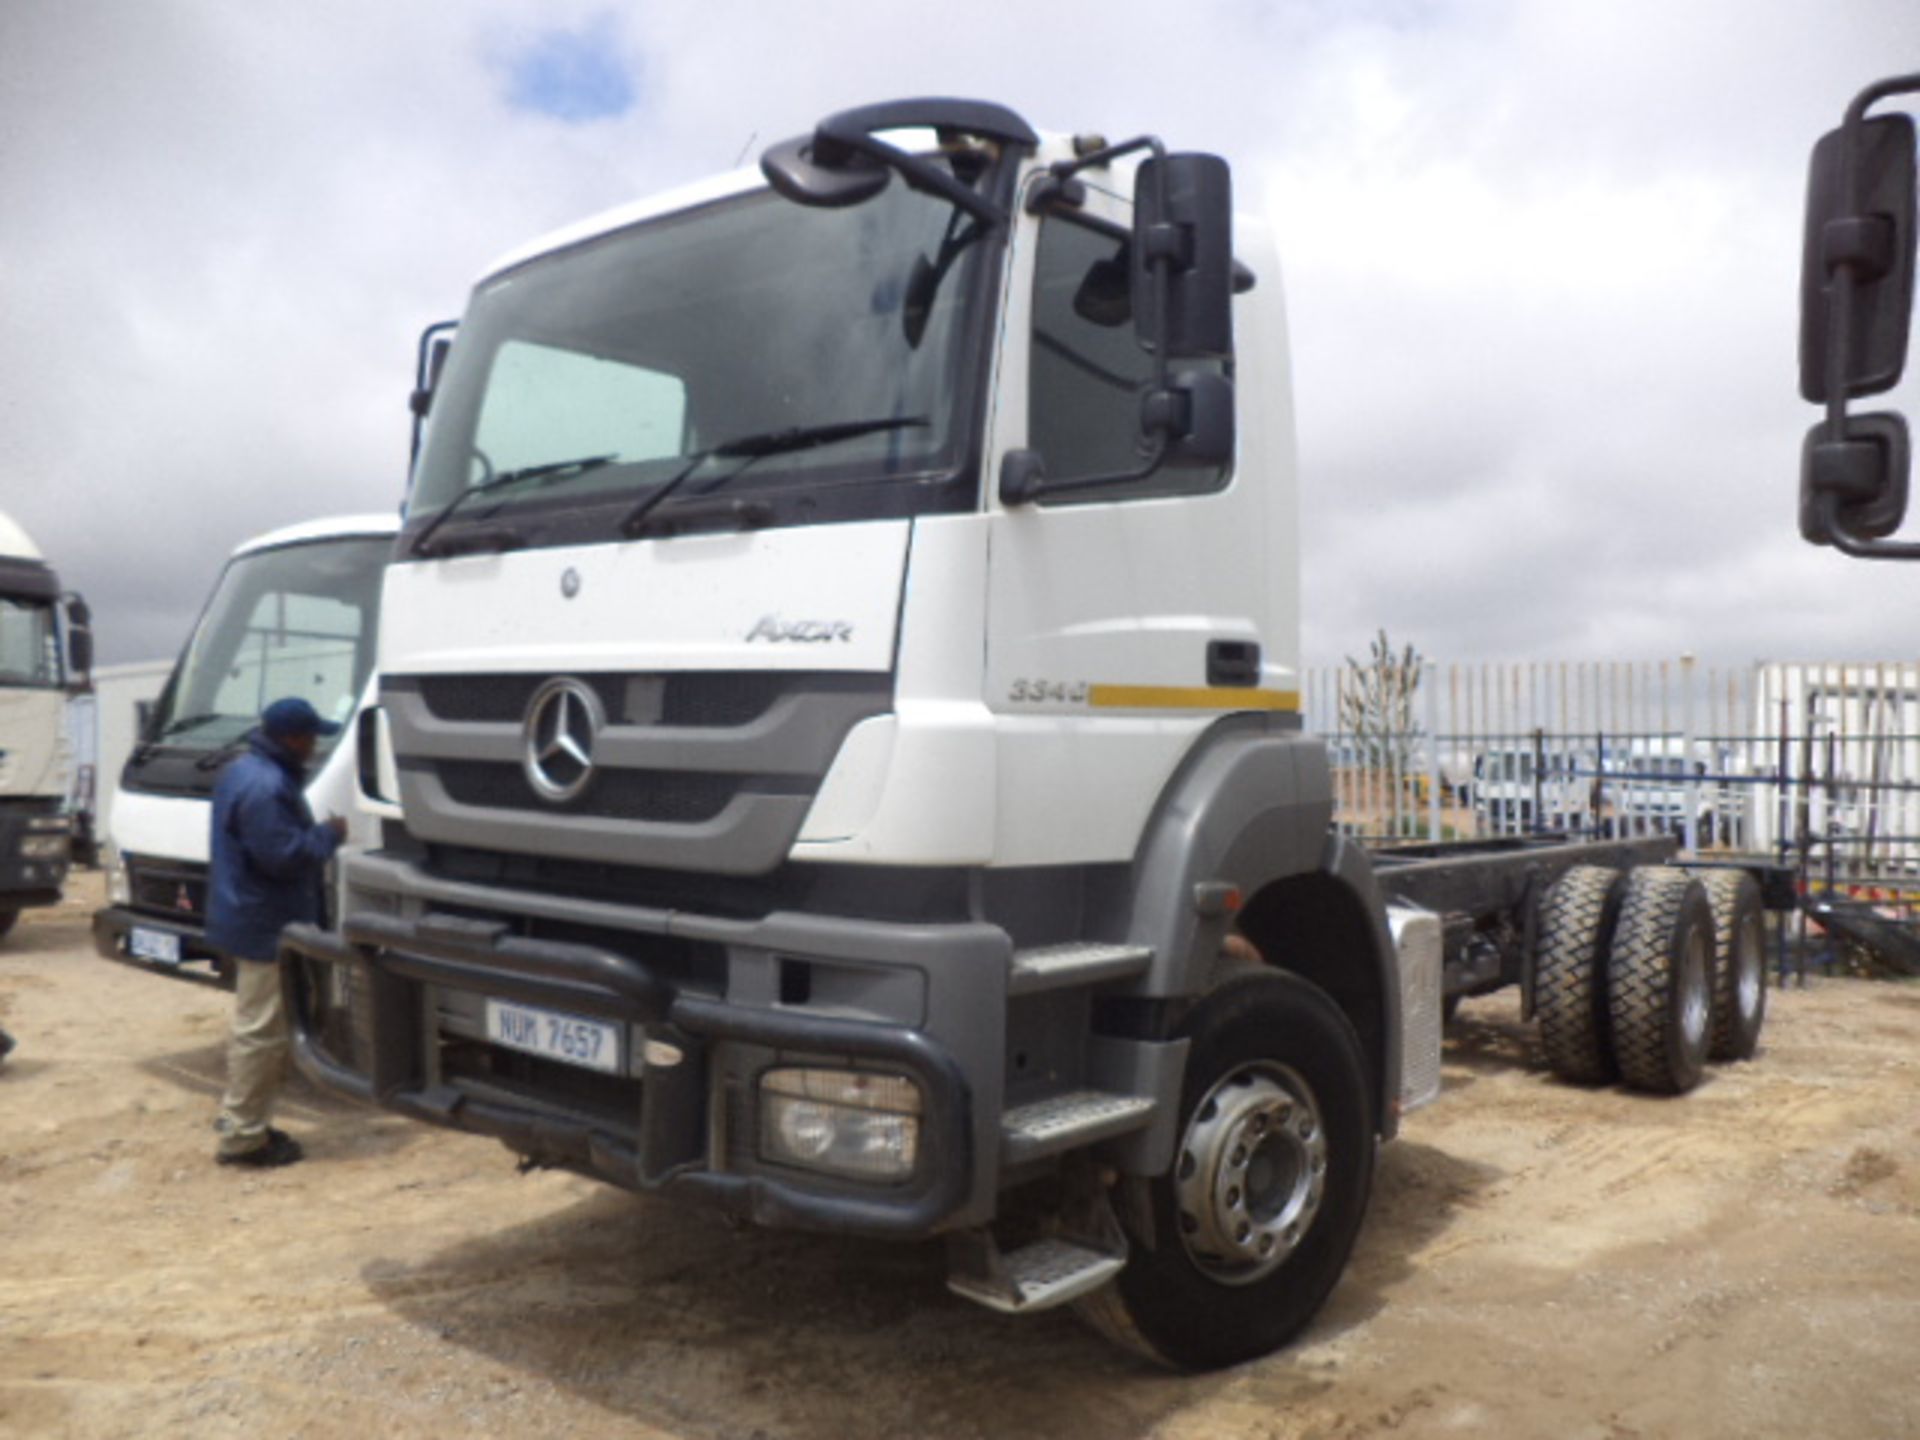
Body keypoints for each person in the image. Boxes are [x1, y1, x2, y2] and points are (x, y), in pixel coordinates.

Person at [204, 697, 347, 1167]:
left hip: (249, 916)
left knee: (257, 1027)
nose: (314, 747)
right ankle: (245, 1138)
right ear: (293, 738)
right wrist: (328, 836)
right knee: (261, 1032)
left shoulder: (244, 771)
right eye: (311, 737)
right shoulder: (267, 787)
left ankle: (242, 1118)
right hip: (266, 923)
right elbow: (283, 857)